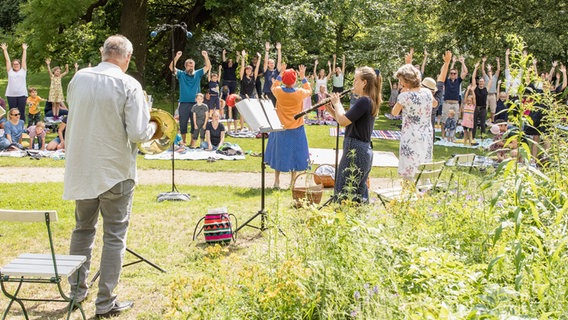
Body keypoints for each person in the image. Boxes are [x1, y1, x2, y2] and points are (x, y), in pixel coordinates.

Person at [63, 35, 159, 319]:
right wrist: (153, 126)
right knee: (114, 236)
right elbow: (139, 134)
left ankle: (76, 292)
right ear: (126, 58)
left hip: (83, 168)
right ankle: (105, 302)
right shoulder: (129, 84)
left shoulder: (78, 78)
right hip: (115, 170)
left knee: (82, 230)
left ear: (103, 53)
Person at [326, 66, 382, 203]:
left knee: (345, 188)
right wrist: (331, 110)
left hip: (355, 150)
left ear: (364, 83)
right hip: (362, 149)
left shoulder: (364, 101)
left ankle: (344, 218)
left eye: (356, 80)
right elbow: (346, 120)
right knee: (357, 189)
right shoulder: (368, 101)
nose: (353, 84)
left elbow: (344, 121)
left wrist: (337, 103)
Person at [265, 64, 312, 189]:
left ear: (284, 80)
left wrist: (280, 74)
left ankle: (276, 181)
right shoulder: (300, 93)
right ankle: (292, 182)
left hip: (281, 127)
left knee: (278, 154)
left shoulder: (279, 92)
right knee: (294, 154)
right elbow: (309, 90)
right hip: (296, 128)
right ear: (295, 80)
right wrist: (303, 77)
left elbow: (273, 86)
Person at [392, 64, 433, 182]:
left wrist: (403, 94)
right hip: (426, 133)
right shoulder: (427, 93)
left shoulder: (405, 96)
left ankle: (408, 193)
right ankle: (424, 189)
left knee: (409, 166)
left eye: (401, 80)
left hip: (410, 135)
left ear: (407, 80)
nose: (400, 83)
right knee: (423, 164)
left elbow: (394, 112)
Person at [169, 50, 211, 146]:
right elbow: (171, 67)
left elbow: (208, 67)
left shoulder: (198, 73)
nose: (191, 67)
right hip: (184, 103)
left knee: (194, 124)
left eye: (192, 66)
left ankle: (193, 143)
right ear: (185, 66)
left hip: (196, 104)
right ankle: (183, 142)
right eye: (189, 65)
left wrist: (206, 56)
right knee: (183, 124)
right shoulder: (181, 74)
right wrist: (176, 57)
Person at [1, 43, 28, 120]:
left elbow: (24, 60)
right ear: (12, 65)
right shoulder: (10, 71)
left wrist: (24, 50)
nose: (16, 65)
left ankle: (21, 127)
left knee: (21, 112)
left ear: (20, 65)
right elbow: (7, 60)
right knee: (12, 111)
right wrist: (5, 50)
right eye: (14, 64)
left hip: (22, 94)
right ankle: (12, 126)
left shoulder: (23, 71)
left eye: (17, 64)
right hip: (11, 94)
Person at [441, 55, 467, 126]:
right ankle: (443, 136)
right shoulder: (446, 81)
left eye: (454, 73)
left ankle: (452, 136)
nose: (453, 74)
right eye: (451, 73)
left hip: (455, 104)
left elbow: (465, 72)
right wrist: (450, 62)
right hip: (447, 103)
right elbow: (443, 71)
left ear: (456, 75)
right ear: (450, 74)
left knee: (455, 121)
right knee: (444, 121)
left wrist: (462, 62)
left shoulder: (458, 80)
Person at [471, 61, 492, 139]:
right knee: (474, 123)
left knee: (483, 124)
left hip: (483, 108)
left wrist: (489, 70)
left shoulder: (486, 89)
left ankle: (483, 138)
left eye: (482, 81)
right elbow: (473, 77)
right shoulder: (475, 88)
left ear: (484, 82)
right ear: (478, 82)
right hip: (476, 107)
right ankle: (472, 137)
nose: (481, 83)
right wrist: (475, 68)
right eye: (480, 81)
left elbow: (490, 80)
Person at [482, 56, 500, 122]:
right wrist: (483, 62)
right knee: (485, 108)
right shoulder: (486, 77)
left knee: (493, 109)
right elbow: (483, 70)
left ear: (492, 72)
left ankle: (493, 121)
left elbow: (498, 70)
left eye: (490, 71)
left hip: (493, 95)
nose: (489, 72)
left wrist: (498, 61)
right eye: (488, 71)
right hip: (486, 94)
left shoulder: (495, 77)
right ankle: (483, 120)